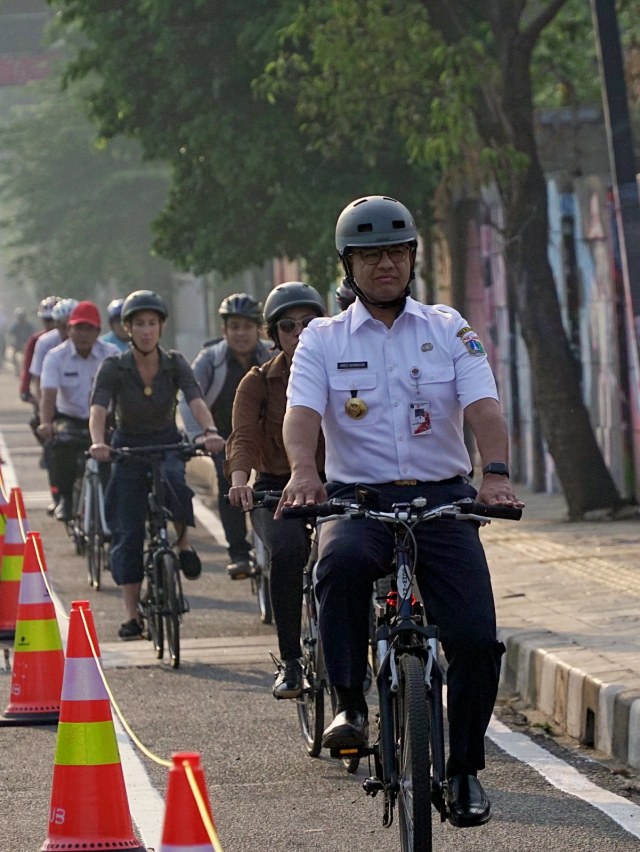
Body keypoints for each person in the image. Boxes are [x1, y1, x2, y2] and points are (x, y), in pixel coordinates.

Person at [276, 195, 524, 829]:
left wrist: (492, 477)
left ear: (412, 257)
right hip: (356, 500)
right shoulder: (322, 341)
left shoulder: (448, 328)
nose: (384, 264)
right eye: (369, 255)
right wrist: (304, 475)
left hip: (443, 498)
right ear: (348, 266)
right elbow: (301, 417)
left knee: (475, 639)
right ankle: (350, 708)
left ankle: (465, 770)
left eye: (395, 251)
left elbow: (485, 409)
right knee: (336, 568)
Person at [88, 290, 222, 640]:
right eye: (139, 325)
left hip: (166, 442)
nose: (146, 331)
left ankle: (182, 543)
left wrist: (208, 431)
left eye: (152, 324)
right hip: (127, 448)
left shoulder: (175, 362)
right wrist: (98, 442)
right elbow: (99, 409)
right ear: (127, 329)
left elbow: (195, 399)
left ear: (161, 327)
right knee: (127, 531)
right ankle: (132, 614)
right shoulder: (114, 366)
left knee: (178, 484)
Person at [225, 281, 326, 698]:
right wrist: (239, 483)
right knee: (287, 552)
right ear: (273, 334)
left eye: (309, 323)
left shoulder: (346, 370)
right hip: (274, 487)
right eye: (288, 326)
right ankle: (291, 663)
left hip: (333, 484)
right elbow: (243, 437)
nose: (299, 333)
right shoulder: (258, 382)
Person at [179, 293, 271, 579]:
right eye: (234, 327)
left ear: (259, 329)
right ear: (224, 331)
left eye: (247, 326)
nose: (240, 333)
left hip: (267, 437)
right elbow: (189, 398)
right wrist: (200, 437)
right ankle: (239, 554)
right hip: (223, 439)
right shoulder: (210, 360)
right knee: (229, 482)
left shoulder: (272, 357)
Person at [37, 301, 120, 522]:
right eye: (78, 328)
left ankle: (113, 505)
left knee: (119, 454)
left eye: (89, 329)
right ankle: (65, 498)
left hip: (105, 418)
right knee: (60, 446)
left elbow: (123, 390)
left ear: (98, 332)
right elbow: (48, 395)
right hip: (70, 418)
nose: (83, 334)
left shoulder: (111, 355)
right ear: (68, 330)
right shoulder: (55, 356)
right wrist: (46, 423)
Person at [19, 295, 60, 514]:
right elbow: (31, 372)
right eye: (47, 321)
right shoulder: (38, 342)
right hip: (46, 401)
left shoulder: (80, 342)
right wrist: (31, 395)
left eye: (55, 321)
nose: (52, 327)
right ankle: (58, 495)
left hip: (75, 405)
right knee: (50, 443)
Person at [30, 298, 79, 405]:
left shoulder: (95, 346)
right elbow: (38, 378)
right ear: (56, 324)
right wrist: (41, 407)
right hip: (53, 402)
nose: (68, 331)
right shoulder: (44, 343)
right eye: (63, 326)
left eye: (73, 327)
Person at [7, 308, 35, 374]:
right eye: (20, 317)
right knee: (13, 356)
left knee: (29, 356)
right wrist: (11, 341)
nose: (21, 319)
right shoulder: (15, 325)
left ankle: (28, 369)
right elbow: (10, 333)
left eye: (22, 317)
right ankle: (17, 368)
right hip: (18, 342)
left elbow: (33, 334)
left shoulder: (29, 325)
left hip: (27, 342)